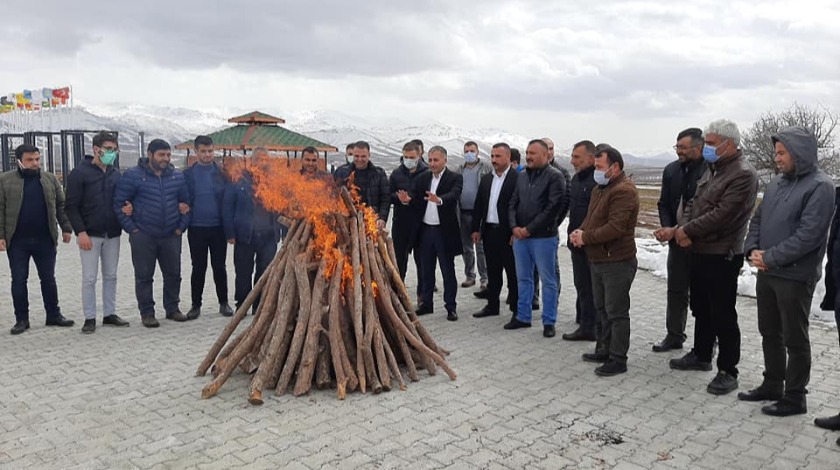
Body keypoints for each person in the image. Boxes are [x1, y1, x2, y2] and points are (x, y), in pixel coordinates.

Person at [738, 126, 834, 416]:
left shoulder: (820, 186)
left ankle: (795, 396)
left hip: (794, 276)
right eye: (776, 152)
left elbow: (809, 235)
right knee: (769, 331)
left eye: (782, 153)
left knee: (794, 337)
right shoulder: (777, 183)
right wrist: (752, 249)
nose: (776, 158)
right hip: (767, 272)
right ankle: (772, 383)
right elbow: (758, 218)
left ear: (800, 153)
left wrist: (772, 257)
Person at [671, 119, 759, 395]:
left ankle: (727, 370)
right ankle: (701, 354)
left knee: (723, 314)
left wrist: (686, 230)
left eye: (709, 143)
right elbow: (694, 203)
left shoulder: (742, 174)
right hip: (699, 249)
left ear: (728, 144)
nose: (706, 148)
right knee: (701, 308)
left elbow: (723, 216)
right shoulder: (714, 169)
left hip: (722, 253)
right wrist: (682, 229)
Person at [570, 145, 639, 376]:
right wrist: (580, 231)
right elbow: (591, 218)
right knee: (602, 308)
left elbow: (615, 227)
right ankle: (604, 348)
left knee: (616, 311)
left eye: (599, 167)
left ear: (615, 167)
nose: (596, 172)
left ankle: (618, 358)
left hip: (616, 260)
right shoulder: (600, 188)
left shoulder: (624, 191)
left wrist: (586, 237)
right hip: (598, 259)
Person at [114, 139, 190, 328]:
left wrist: (181, 227)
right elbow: (119, 204)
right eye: (161, 155)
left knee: (173, 274)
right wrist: (132, 229)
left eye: (168, 155)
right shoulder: (133, 176)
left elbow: (187, 205)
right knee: (144, 276)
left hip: (171, 234)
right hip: (143, 235)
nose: (165, 159)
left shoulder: (177, 177)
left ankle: (172, 309)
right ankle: (147, 313)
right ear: (150, 154)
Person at [0, 144, 74, 334]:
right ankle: (21, 319)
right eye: (30, 160)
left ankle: (53, 315)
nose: (35, 163)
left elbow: (60, 205)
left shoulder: (49, 179)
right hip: (17, 241)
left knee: (48, 279)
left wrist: (66, 228)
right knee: (19, 280)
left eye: (37, 159)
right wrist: (1, 236)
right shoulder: (5, 180)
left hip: (45, 239)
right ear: (19, 161)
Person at [65, 131, 130, 333]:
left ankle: (109, 313)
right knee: (89, 277)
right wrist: (80, 232)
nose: (112, 153)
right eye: (109, 149)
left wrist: (128, 207)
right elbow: (71, 206)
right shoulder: (79, 173)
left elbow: (121, 200)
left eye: (115, 150)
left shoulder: (115, 174)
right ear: (96, 149)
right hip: (90, 234)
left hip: (112, 233)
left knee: (111, 275)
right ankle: (90, 317)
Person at [652, 128, 707, 352]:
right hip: (676, 243)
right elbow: (663, 203)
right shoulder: (671, 170)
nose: (679, 152)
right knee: (676, 291)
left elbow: (704, 209)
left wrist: (682, 231)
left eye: (683, 148)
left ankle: (706, 342)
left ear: (698, 147)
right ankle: (674, 335)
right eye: (677, 147)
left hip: (701, 243)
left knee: (702, 295)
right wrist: (668, 228)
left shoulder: (709, 171)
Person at [505, 139, 565, 338]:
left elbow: (552, 208)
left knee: (548, 280)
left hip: (543, 237)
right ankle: (523, 316)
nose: (528, 156)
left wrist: (528, 229)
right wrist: (514, 227)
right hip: (521, 237)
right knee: (524, 278)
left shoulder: (555, 177)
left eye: (533, 153)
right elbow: (512, 202)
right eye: (527, 152)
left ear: (546, 155)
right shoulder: (521, 176)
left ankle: (549, 321)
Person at [223, 148, 287, 314]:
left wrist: (283, 232)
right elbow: (227, 207)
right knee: (243, 272)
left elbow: (282, 208)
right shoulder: (240, 179)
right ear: (252, 160)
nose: (262, 162)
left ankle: (259, 306)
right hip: (245, 234)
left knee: (264, 271)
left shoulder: (275, 181)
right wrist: (230, 232)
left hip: (268, 236)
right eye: (258, 159)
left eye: (265, 159)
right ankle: (242, 305)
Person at [183, 135, 232, 320]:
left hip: (218, 227)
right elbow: (181, 197)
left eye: (210, 151)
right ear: (196, 152)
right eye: (203, 151)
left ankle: (223, 303)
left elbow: (228, 200)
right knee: (198, 267)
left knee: (219, 267)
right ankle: (196, 305)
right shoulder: (187, 175)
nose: (207, 155)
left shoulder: (222, 173)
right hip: (196, 228)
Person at [412, 146, 463, 321]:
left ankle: (451, 307)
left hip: (444, 232)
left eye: (436, 160)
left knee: (447, 271)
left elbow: (454, 195)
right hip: (426, 230)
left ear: (445, 160)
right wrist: (407, 200)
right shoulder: (423, 178)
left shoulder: (455, 178)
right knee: (426, 270)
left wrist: (439, 200)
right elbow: (416, 197)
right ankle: (426, 304)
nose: (432, 164)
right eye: (430, 160)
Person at [471, 143, 518, 319]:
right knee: (493, 271)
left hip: (508, 233)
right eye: (492, 156)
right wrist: (476, 228)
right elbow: (479, 205)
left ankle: (516, 309)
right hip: (490, 231)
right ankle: (492, 305)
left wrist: (515, 231)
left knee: (512, 273)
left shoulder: (516, 178)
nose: (494, 160)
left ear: (508, 157)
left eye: (498, 156)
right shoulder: (486, 179)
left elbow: (519, 207)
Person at [562, 140, 599, 342]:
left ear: (591, 158)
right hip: (576, 243)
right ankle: (586, 324)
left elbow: (596, 215)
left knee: (593, 288)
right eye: (573, 156)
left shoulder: (597, 182)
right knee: (582, 286)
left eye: (577, 157)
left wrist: (584, 234)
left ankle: (592, 328)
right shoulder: (576, 180)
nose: (572, 161)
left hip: (591, 244)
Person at [530, 137, 571, 311]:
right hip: (531, 229)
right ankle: (533, 298)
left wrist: (552, 223)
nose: (550, 151)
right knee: (532, 268)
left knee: (551, 270)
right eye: (547, 148)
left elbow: (564, 203)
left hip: (548, 231)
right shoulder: (530, 171)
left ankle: (552, 304)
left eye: (552, 148)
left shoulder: (561, 173)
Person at [390, 141, 429, 303]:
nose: (408, 160)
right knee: (399, 260)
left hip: (421, 223)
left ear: (419, 156)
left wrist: (411, 200)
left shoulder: (427, 173)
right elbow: (388, 194)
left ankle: (423, 295)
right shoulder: (396, 174)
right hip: (401, 222)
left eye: (412, 157)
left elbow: (428, 197)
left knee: (422, 261)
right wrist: (399, 199)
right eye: (405, 157)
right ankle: (399, 293)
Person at [455, 141, 492, 291]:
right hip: (463, 212)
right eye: (466, 151)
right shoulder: (459, 170)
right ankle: (470, 276)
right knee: (466, 247)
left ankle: (485, 278)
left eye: (472, 150)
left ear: (477, 152)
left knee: (481, 247)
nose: (469, 153)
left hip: (480, 214)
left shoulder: (485, 168)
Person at [334, 141, 390, 230]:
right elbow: (334, 197)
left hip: (372, 221)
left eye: (363, 156)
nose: (359, 159)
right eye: (356, 156)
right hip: (348, 223)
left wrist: (382, 218)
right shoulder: (342, 173)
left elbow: (385, 198)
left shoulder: (378, 174)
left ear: (369, 155)